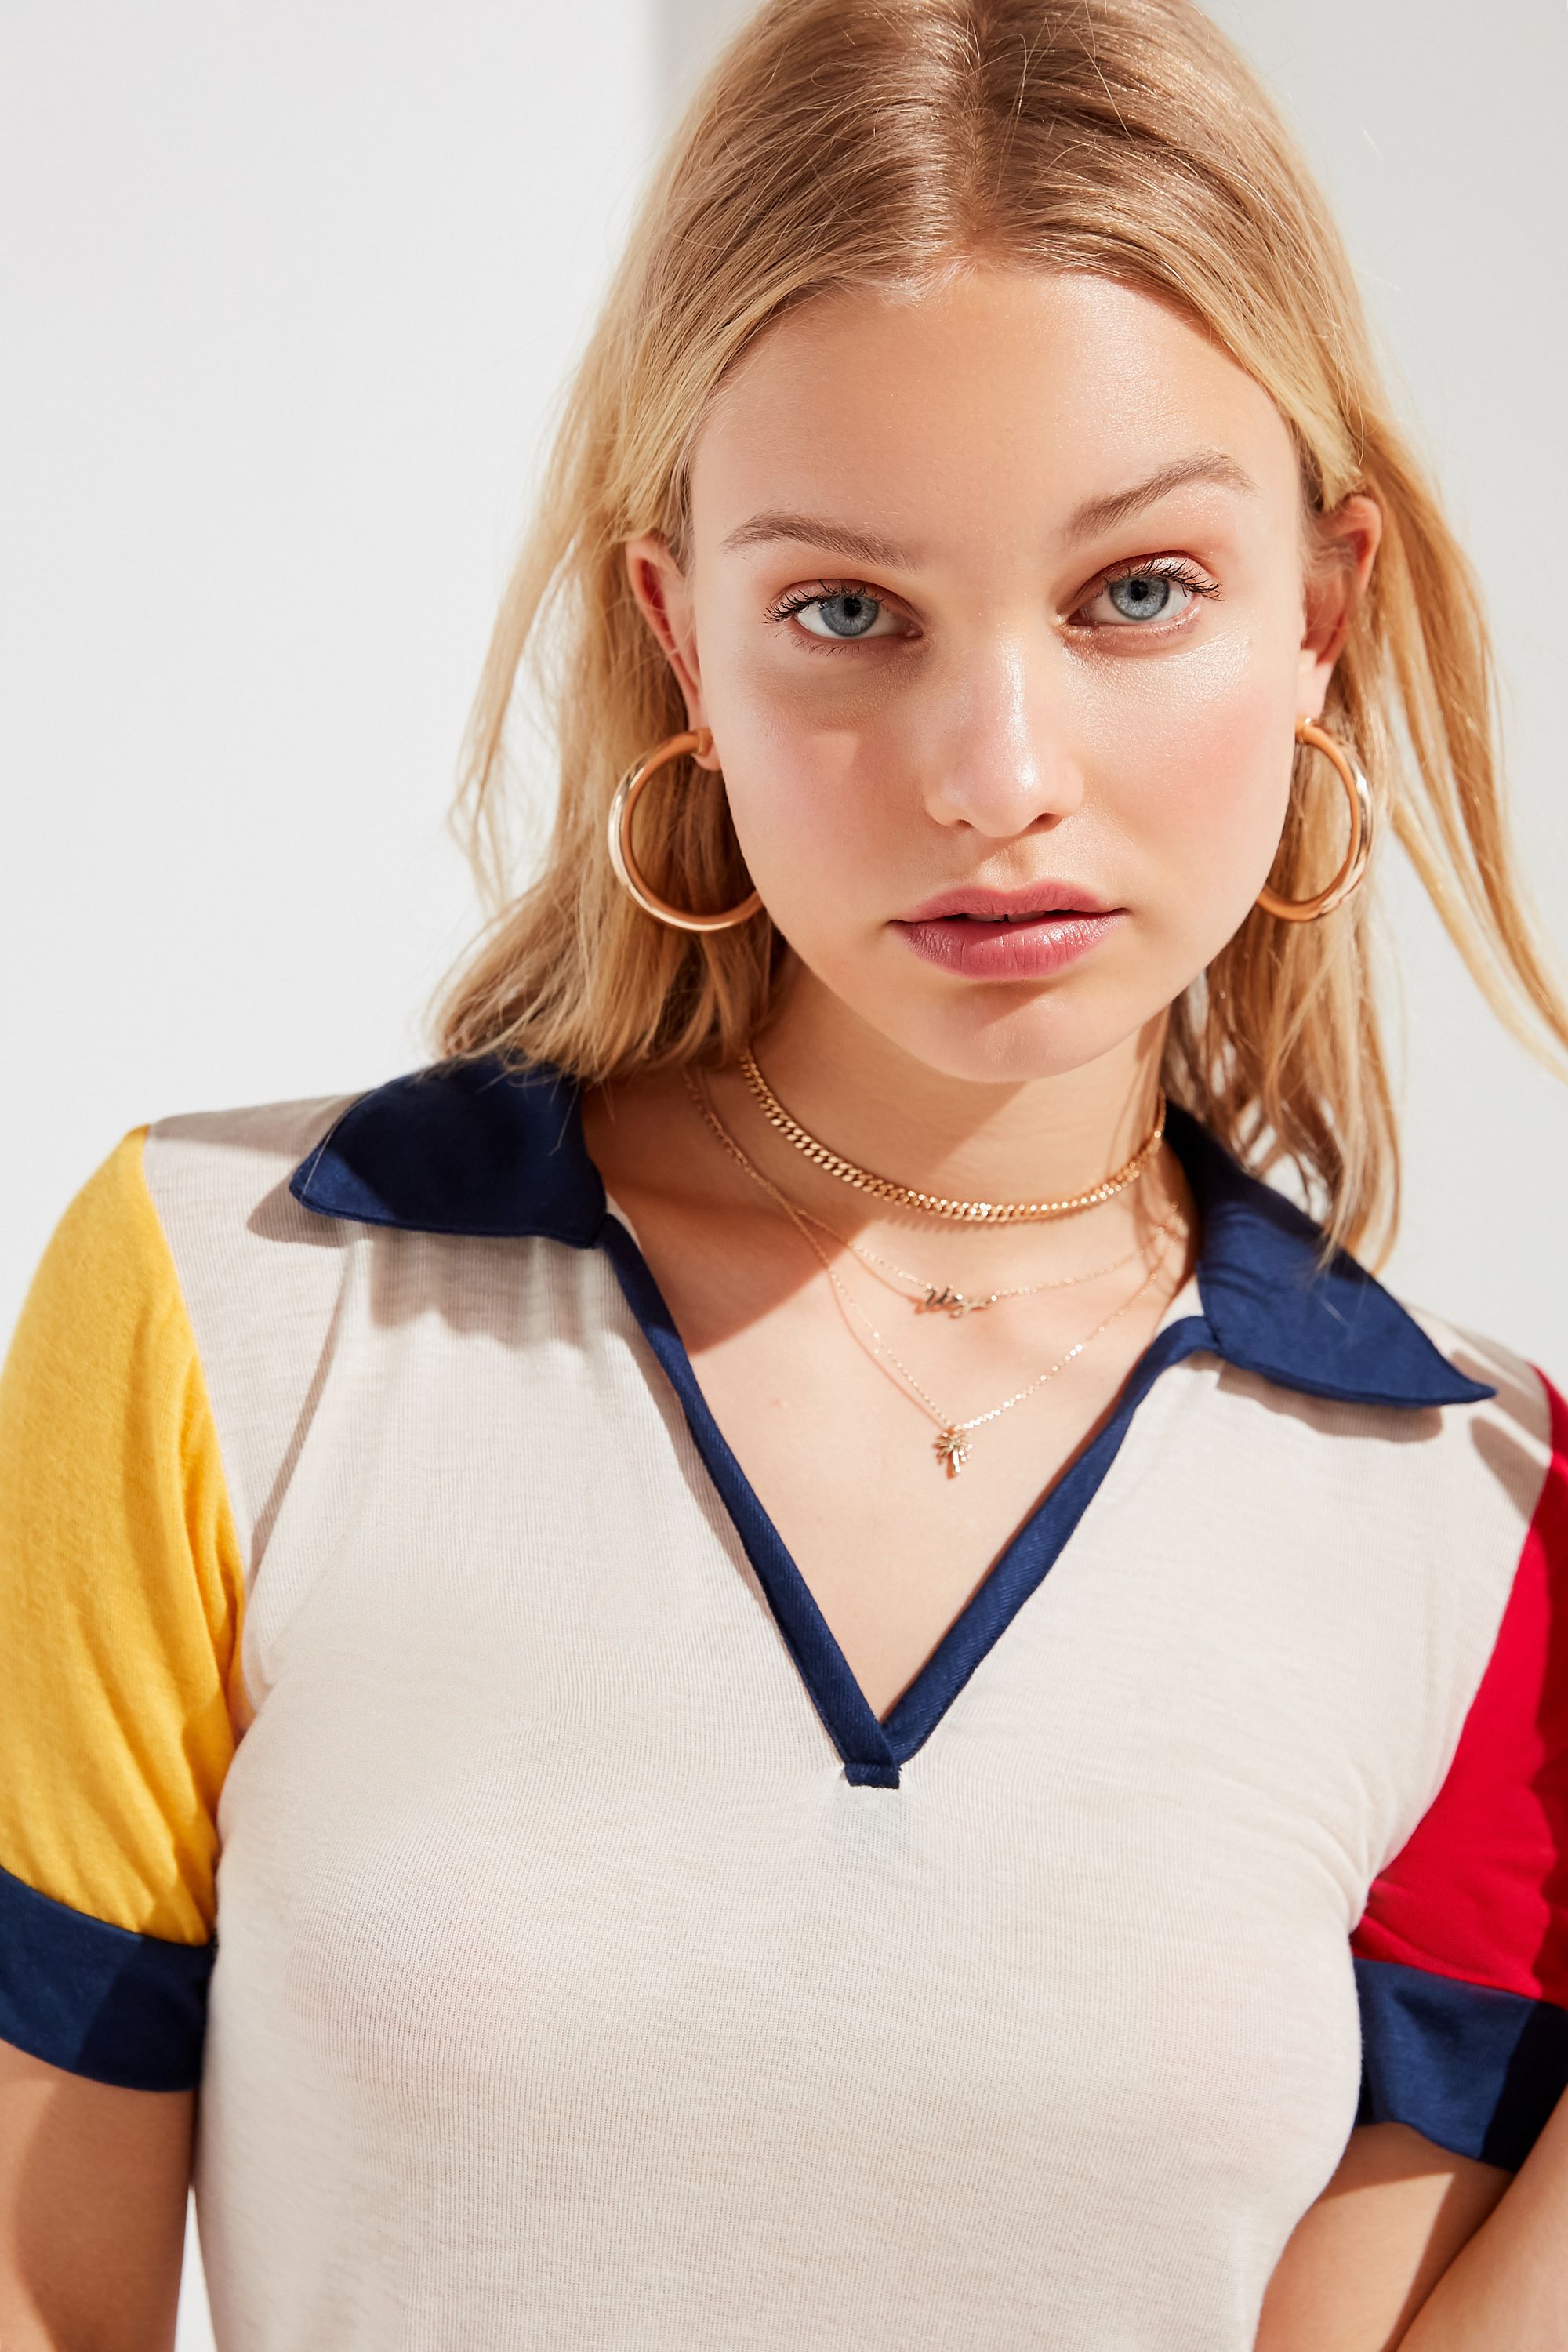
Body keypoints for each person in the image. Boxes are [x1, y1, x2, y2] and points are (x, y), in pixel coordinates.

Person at [2, 0, 1566, 2344]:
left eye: (1138, 589)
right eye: (847, 612)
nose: (996, 773)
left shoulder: (1479, 1516)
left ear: (1321, 615)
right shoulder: (239, 1307)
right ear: (683, 643)